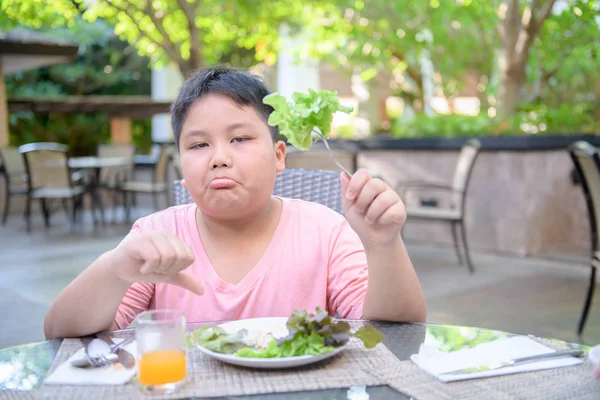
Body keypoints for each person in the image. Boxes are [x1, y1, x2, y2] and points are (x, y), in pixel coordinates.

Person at [44, 65, 426, 339]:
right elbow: (61, 332)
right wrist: (114, 268)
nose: (219, 157)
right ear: (181, 162)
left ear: (279, 156)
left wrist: (383, 244)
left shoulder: (325, 230)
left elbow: (395, 329)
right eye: (198, 144)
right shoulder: (157, 236)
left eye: (240, 139)